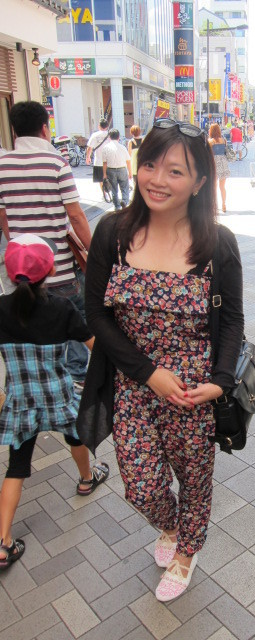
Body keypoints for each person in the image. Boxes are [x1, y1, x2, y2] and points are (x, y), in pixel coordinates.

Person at [81, 118, 244, 602]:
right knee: (142, 486)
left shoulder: (217, 243)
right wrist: (148, 373)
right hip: (133, 383)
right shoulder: (113, 233)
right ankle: (171, 527)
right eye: (150, 164)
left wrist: (220, 381)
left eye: (175, 171)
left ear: (199, 182)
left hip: (193, 391)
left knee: (194, 479)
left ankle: (187, 551)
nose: (156, 179)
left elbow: (232, 321)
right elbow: (96, 314)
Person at [0, 234, 109, 569]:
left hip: (21, 401)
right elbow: (95, 346)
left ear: (8, 272)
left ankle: (3, 543)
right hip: (58, 396)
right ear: (49, 271)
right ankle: (87, 479)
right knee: (75, 436)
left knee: (16, 467)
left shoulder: (0, 310)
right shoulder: (62, 308)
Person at [0, 101, 91, 388]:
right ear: (44, 128)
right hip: (57, 265)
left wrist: (18, 247)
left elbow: (3, 216)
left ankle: (42, 374)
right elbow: (75, 215)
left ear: (15, 130)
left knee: (30, 316)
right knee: (75, 314)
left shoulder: (2, 166)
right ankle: (76, 373)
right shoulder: (56, 163)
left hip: (21, 267)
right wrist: (93, 250)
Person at [101, 129, 132, 211]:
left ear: (109, 137)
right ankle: (124, 201)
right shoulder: (122, 147)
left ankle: (117, 206)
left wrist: (104, 174)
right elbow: (128, 161)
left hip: (111, 170)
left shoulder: (105, 148)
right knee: (124, 188)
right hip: (122, 169)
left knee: (114, 189)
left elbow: (104, 163)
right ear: (118, 137)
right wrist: (130, 172)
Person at [208, 123, 230, 213]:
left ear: (211, 131)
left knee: (213, 186)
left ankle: (213, 205)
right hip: (223, 162)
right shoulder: (224, 140)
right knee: (222, 186)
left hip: (214, 163)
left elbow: (208, 153)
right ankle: (224, 204)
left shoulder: (210, 141)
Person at [86, 118, 110, 194]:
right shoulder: (110, 135)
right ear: (107, 126)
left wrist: (88, 157)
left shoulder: (94, 135)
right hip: (109, 161)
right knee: (110, 177)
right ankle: (110, 192)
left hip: (98, 161)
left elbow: (89, 148)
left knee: (100, 179)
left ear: (99, 126)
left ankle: (104, 193)